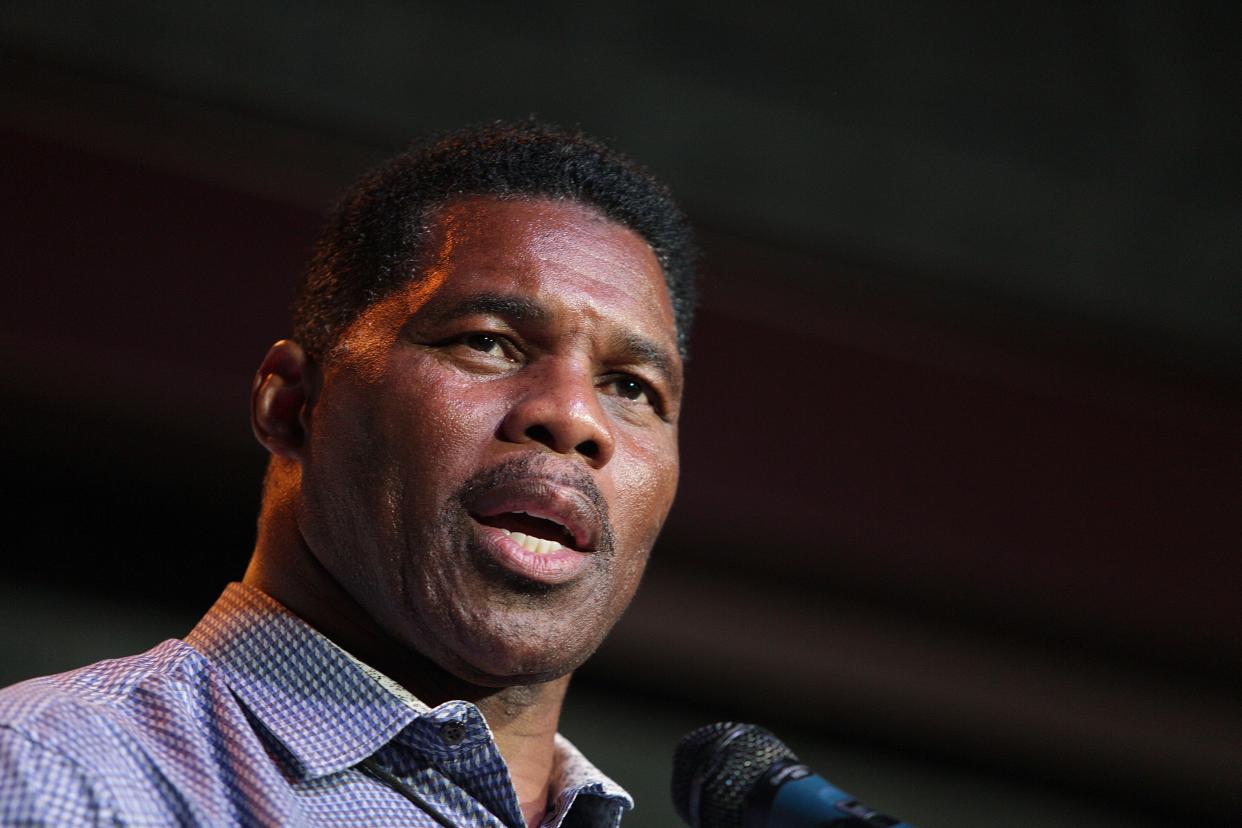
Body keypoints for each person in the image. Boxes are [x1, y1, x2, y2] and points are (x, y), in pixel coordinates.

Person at [0, 121, 697, 827]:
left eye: (633, 387)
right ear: (294, 405)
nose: (575, 417)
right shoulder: (59, 775)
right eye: (487, 342)